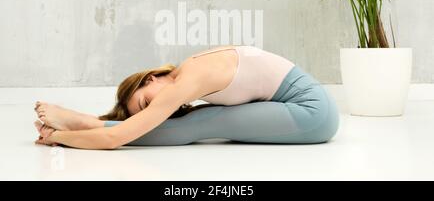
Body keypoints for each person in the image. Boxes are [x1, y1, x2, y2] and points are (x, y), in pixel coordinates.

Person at [34, 45, 339, 149]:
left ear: (149, 78)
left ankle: (85, 122)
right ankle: (88, 122)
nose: (152, 109)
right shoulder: (187, 67)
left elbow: (117, 140)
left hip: (312, 114)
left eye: (144, 102)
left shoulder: (188, 80)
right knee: (202, 119)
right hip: (298, 103)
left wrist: (60, 136)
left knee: (201, 123)